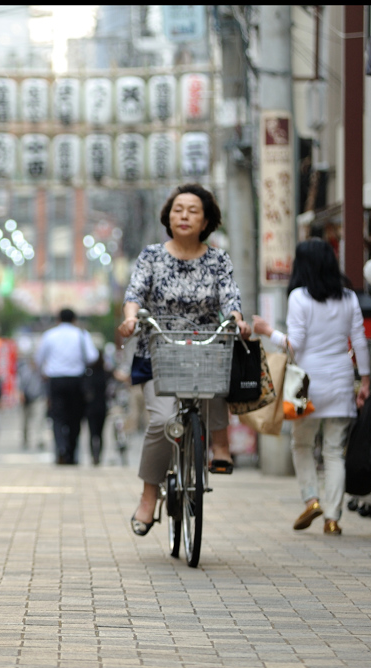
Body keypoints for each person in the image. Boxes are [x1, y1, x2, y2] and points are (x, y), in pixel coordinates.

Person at [117, 183, 252, 537]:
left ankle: (218, 445)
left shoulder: (218, 258)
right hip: (159, 352)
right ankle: (149, 497)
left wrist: (236, 318)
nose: (185, 216)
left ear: (206, 219)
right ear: (168, 216)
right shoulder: (151, 256)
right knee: (162, 422)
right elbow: (135, 292)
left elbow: (230, 295)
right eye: (178, 209)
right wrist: (131, 317)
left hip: (204, 349)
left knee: (215, 375)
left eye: (193, 210)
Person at [253, 238, 370, 536]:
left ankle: (312, 499)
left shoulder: (299, 297)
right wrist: (365, 380)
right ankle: (332, 517)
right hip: (342, 380)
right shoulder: (349, 297)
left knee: (303, 444)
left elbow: (296, 345)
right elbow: (358, 341)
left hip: (305, 384)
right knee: (333, 452)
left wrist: (268, 331)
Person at [35, 308, 99, 465]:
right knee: (75, 418)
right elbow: (92, 356)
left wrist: (44, 371)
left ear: (58, 319)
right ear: (74, 320)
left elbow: (38, 358)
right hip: (76, 380)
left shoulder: (49, 335)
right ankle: (72, 452)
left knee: (57, 417)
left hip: (55, 380)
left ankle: (61, 449)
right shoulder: (82, 335)